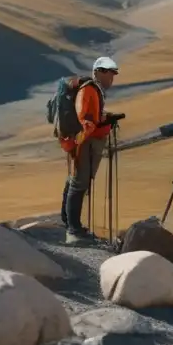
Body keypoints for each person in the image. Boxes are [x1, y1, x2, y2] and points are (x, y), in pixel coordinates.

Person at [59, 56, 119, 243]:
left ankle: (70, 223)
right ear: (98, 72)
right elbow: (85, 120)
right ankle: (73, 230)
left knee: (77, 182)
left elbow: (92, 117)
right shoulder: (89, 91)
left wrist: (105, 119)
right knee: (79, 183)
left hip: (84, 142)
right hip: (84, 143)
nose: (112, 77)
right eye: (109, 72)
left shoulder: (94, 91)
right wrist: (80, 143)